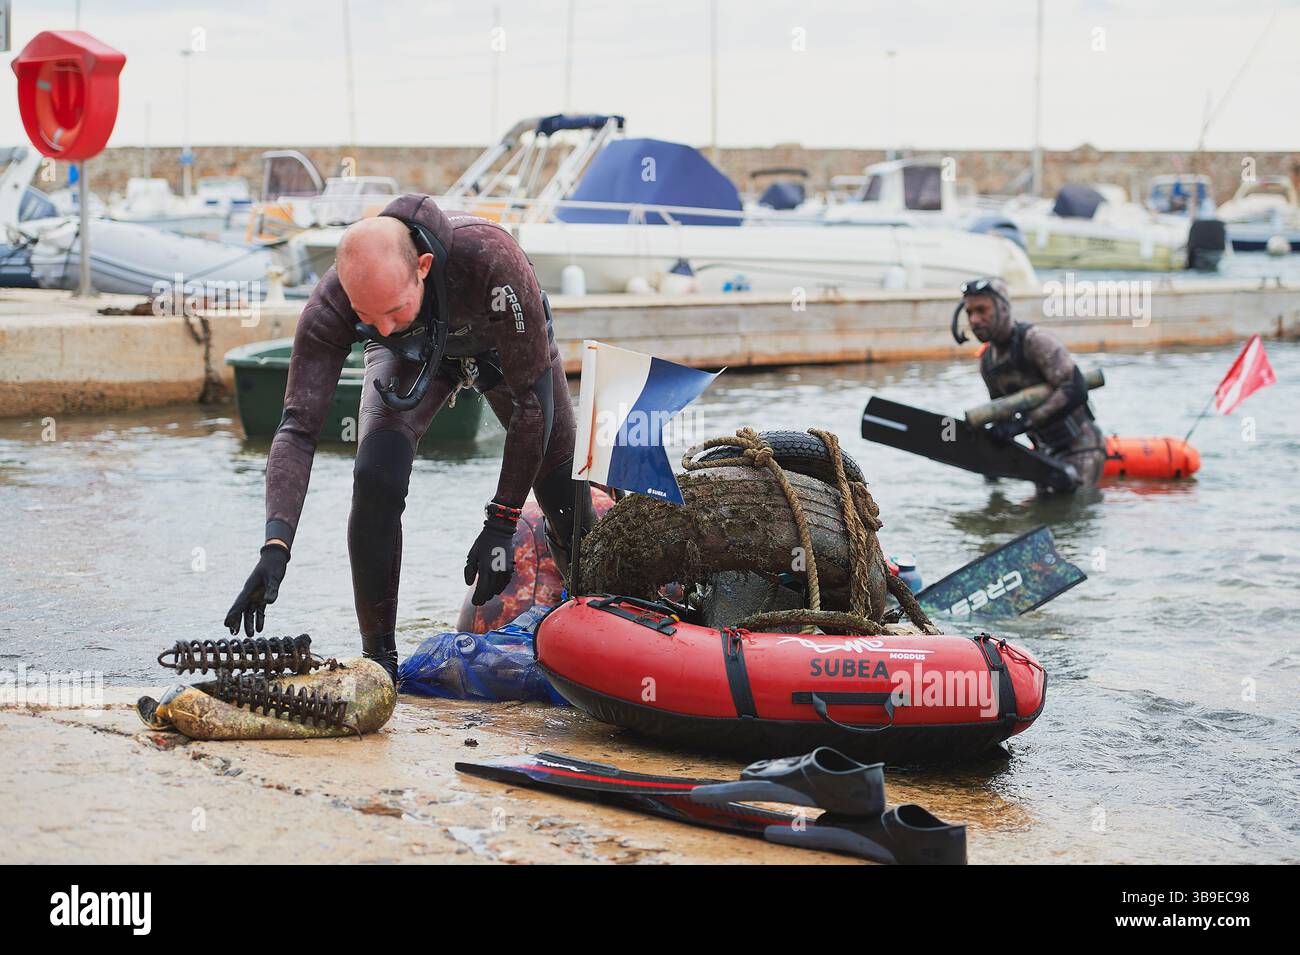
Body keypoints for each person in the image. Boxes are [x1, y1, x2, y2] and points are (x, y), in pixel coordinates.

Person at [223, 194, 594, 681]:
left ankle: (596, 622)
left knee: (565, 494)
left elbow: (532, 404)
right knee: (375, 478)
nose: (382, 325)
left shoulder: (489, 259)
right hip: (412, 355)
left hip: (502, 345)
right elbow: (297, 427)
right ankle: (380, 662)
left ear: (422, 266)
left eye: (394, 309)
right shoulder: (336, 304)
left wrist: (502, 522)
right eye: (367, 318)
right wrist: (276, 545)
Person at [958, 276, 1105, 492]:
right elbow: (1003, 413)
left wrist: (1023, 423)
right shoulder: (988, 362)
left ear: (1004, 308)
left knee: (1071, 517)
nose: (975, 320)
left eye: (982, 310)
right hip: (1043, 453)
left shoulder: (1036, 342)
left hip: (1081, 447)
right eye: (969, 313)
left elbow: (1075, 389)